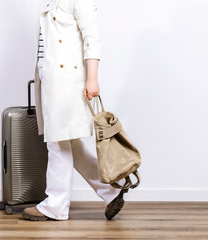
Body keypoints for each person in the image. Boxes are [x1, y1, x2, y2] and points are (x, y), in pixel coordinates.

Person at [22, 0, 129, 221]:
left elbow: (92, 38)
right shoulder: (49, 1)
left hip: (66, 81)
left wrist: (92, 79)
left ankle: (55, 205)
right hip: (49, 79)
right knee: (66, 140)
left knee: (57, 141)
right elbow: (49, 42)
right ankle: (111, 191)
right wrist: (42, 71)